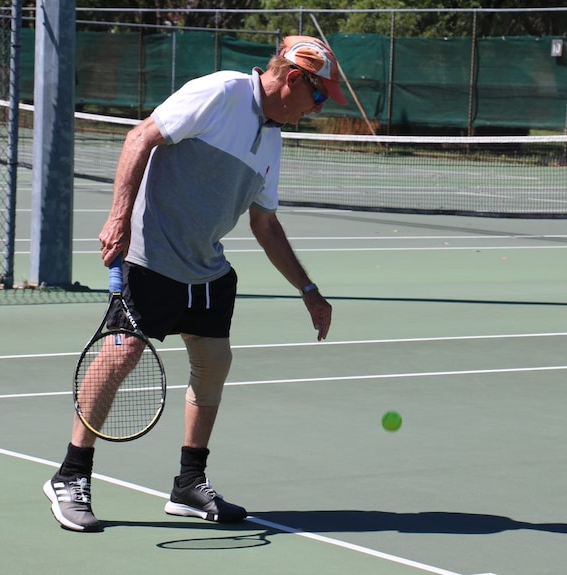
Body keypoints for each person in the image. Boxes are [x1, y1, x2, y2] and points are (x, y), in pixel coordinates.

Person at [43, 35, 347, 532]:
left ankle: (189, 484)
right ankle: (70, 475)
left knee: (215, 362)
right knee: (119, 356)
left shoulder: (272, 139)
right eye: (317, 98)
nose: (316, 110)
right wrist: (118, 219)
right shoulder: (220, 93)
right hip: (151, 258)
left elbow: (264, 225)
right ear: (294, 79)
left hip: (205, 269)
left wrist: (308, 291)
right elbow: (141, 137)